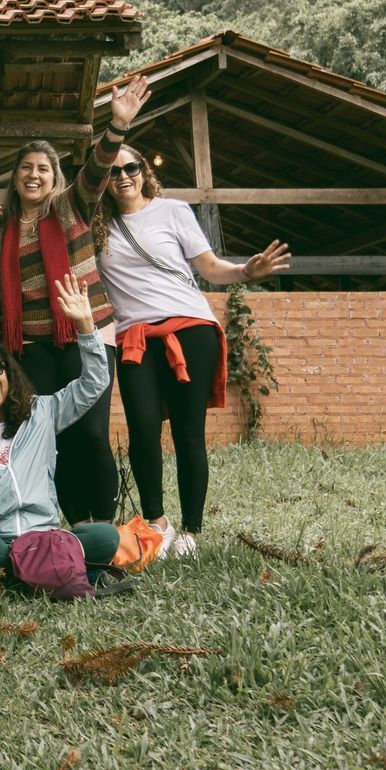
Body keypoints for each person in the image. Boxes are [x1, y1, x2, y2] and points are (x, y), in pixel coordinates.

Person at [95, 145, 290, 558]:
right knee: (142, 429)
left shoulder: (173, 211)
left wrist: (245, 271)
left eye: (131, 167)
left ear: (144, 171)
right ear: (103, 180)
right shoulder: (98, 226)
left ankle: (192, 531)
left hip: (190, 328)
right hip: (135, 337)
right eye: (113, 171)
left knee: (188, 431)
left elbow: (210, 267)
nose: (123, 176)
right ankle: (157, 524)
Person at [0, 74, 152, 526]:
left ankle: (104, 526)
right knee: (50, 437)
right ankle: (77, 526)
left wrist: (117, 126)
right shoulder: (0, 229)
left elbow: (95, 171)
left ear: (55, 178)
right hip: (29, 349)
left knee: (90, 433)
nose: (34, 175)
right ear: (15, 177)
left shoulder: (71, 207)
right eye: (26, 168)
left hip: (85, 336)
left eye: (43, 169)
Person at [0, 274, 121, 587]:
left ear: (8, 373)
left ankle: (18, 571)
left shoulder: (42, 412)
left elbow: (94, 383)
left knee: (106, 536)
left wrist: (86, 325)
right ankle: (53, 568)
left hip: (43, 538)